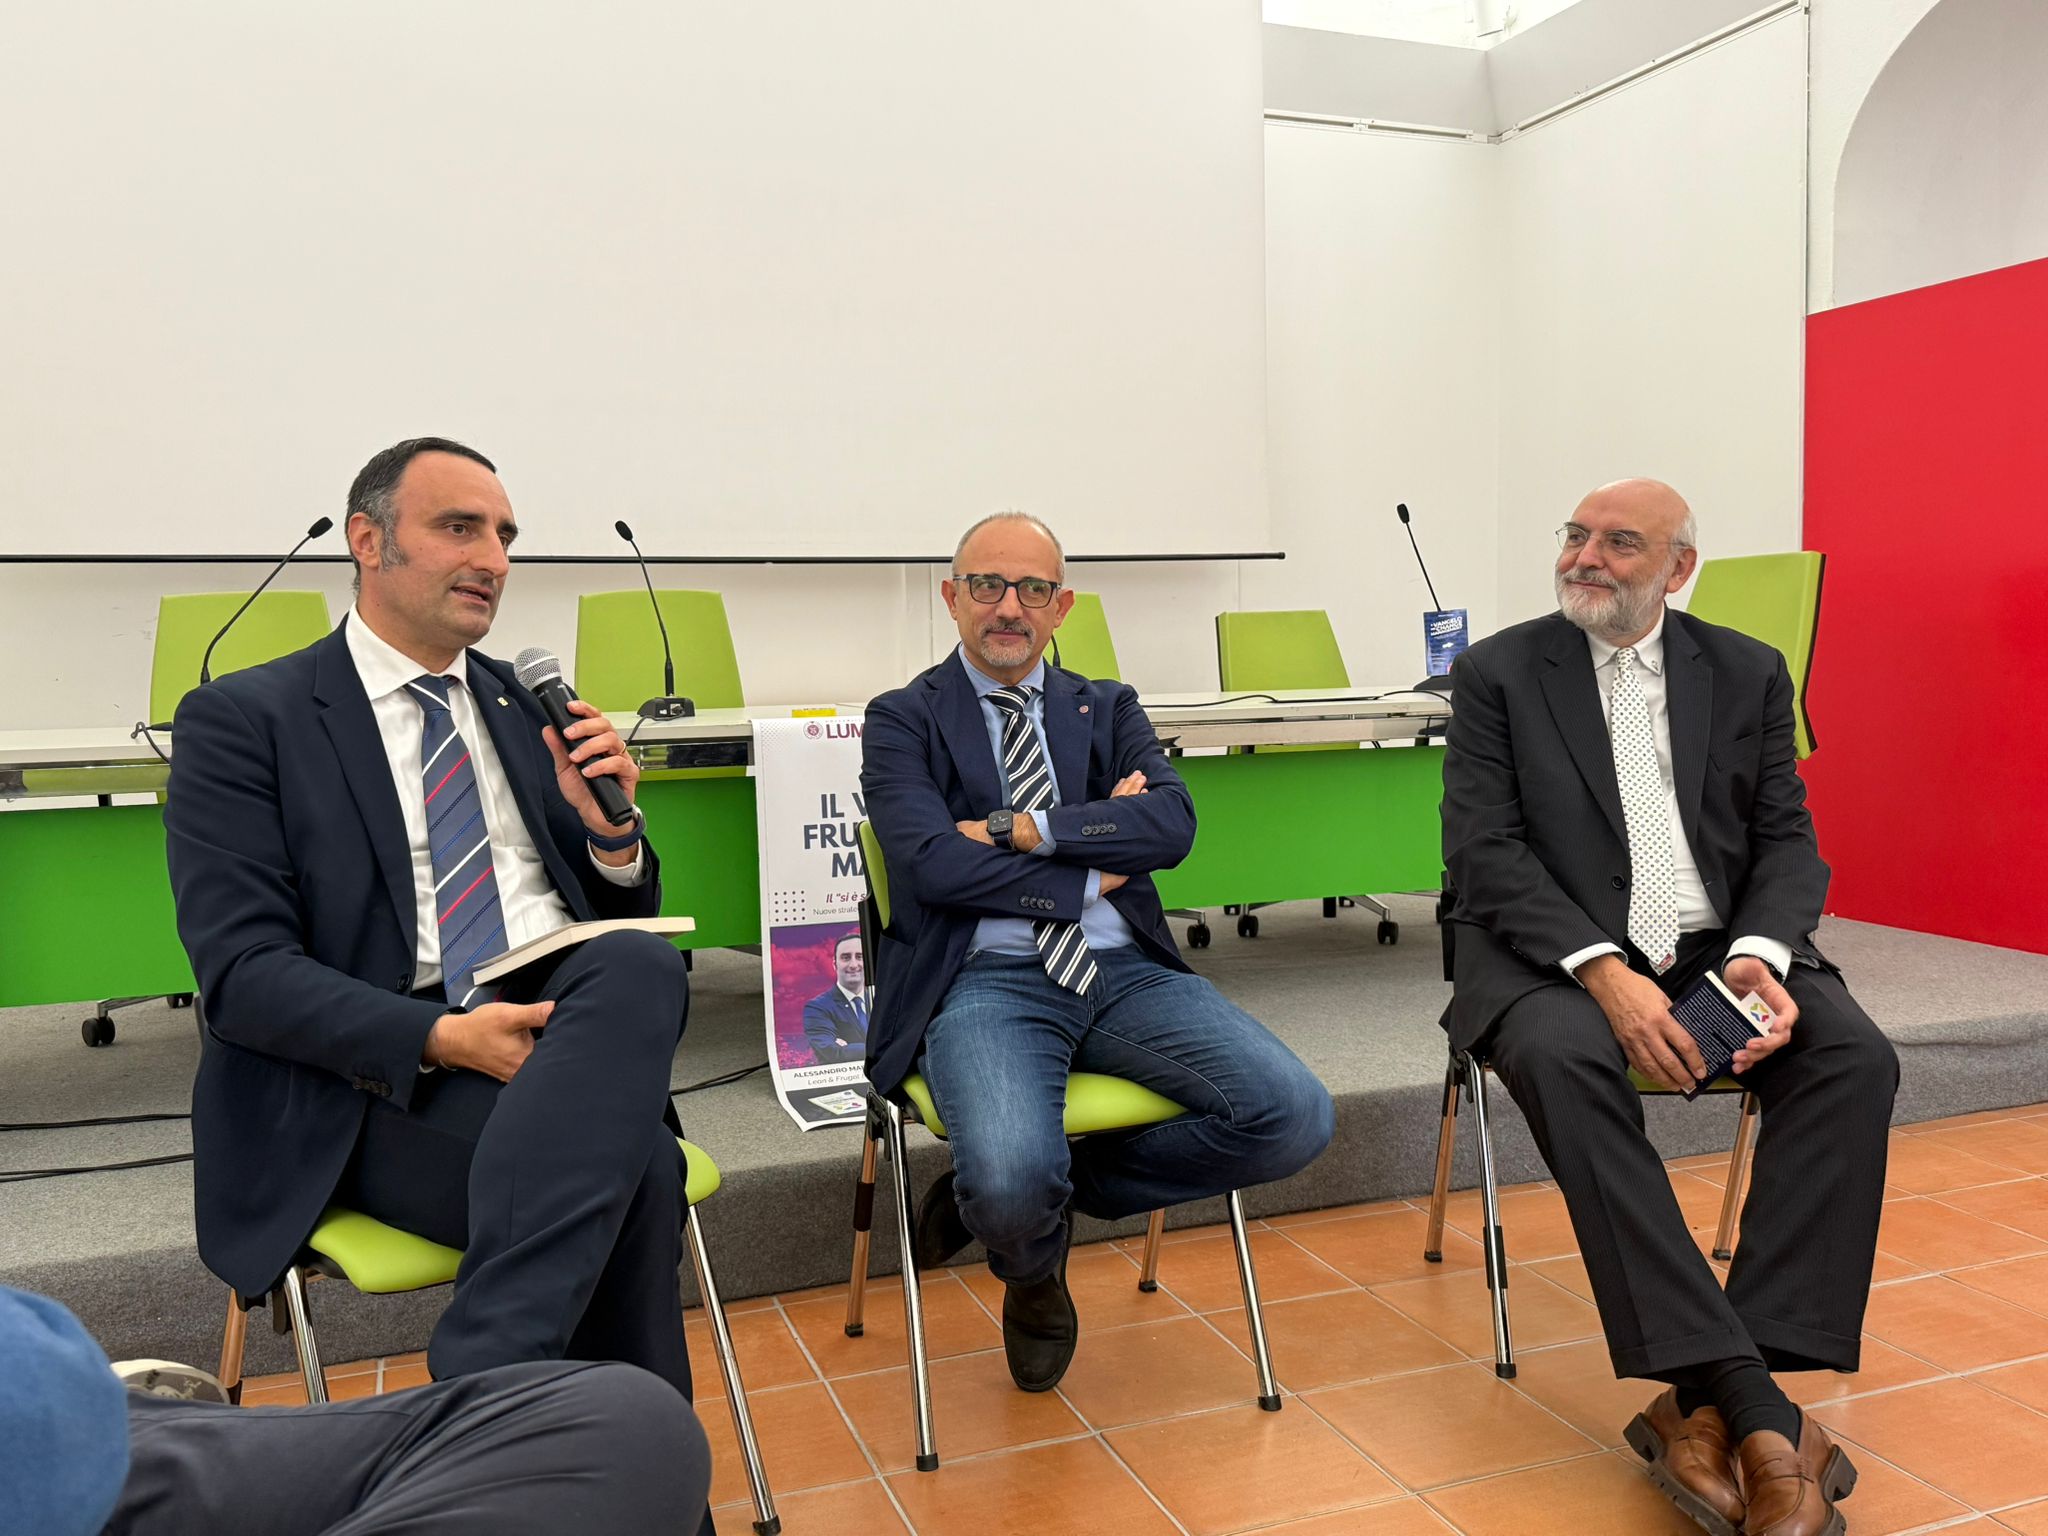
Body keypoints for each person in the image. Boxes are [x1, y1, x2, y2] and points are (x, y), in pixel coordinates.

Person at [164, 439, 707, 1480]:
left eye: (504, 536)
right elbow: (243, 977)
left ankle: (483, 1396)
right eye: (460, 528)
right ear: (368, 541)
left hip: (551, 1043)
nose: (493, 559)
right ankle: (612, 1472)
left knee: (639, 962)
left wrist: (611, 836)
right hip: (370, 1083)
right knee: (638, 1171)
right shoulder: (246, 720)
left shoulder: (523, 705)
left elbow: (614, 909)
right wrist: (445, 1037)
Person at [1440, 478, 1896, 1536]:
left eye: (1618, 543)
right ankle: (1756, 1409)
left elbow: (1786, 840)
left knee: (1852, 1057)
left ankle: (1703, 1401)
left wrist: (1756, 957)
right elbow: (1483, 852)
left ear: (1677, 568)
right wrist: (1605, 972)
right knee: (1564, 1059)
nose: (1584, 558)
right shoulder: (1499, 672)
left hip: (1712, 951)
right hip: (1551, 955)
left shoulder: (1745, 669)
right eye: (1576, 536)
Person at [860, 511, 1334, 1392]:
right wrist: (1088, 872)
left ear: (1062, 605)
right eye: (988, 585)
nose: (1010, 607)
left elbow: (1171, 824)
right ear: (952, 597)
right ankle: (1030, 1258)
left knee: (1294, 1115)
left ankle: (1048, 1197)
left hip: (1124, 974)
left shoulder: (1107, 705)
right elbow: (930, 866)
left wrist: (1021, 829)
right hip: (986, 980)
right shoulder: (902, 718)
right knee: (1007, 1183)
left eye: (1033, 589)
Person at [0, 1283, 711, 1536]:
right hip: (347, 1107)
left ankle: (496, 1359)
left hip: (65, 1417)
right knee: (634, 1163)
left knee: (629, 1421)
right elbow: (249, 997)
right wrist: (436, 1037)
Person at [802, 933, 869, 1064]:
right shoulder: (817, 1007)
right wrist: (885, 1047)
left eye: (859, 957)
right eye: (846, 958)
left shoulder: (883, 999)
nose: (853, 964)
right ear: (835, 964)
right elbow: (831, 1052)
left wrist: (850, 1047)